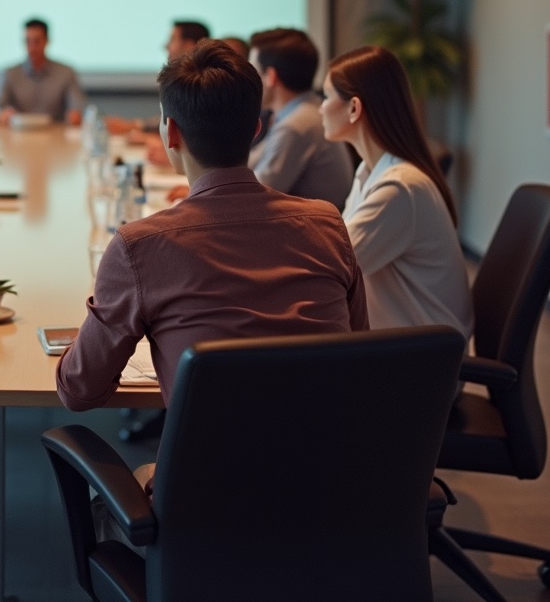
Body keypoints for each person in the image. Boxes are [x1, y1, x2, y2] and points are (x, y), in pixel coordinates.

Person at [56, 41, 367, 544]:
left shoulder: (140, 246)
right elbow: (358, 354)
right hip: (331, 492)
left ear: (171, 132)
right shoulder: (328, 225)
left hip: (205, 506)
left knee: (109, 510)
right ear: (255, 128)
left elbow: (79, 390)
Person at [320, 45, 474, 338]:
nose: (321, 107)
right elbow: (337, 246)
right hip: (408, 345)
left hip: (423, 359)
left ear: (354, 108)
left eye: (326, 97)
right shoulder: (369, 171)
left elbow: (333, 268)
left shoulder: (398, 188)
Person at [246, 28, 354, 210]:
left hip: (313, 234)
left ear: (271, 77)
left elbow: (254, 196)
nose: (247, 81)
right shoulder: (301, 111)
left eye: (252, 71)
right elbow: (250, 164)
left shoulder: (296, 125)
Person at [107, 20, 210, 137]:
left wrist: (137, 130)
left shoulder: (201, 86)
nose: (165, 46)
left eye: (172, 39)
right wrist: (135, 127)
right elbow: (171, 122)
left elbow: (188, 134)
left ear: (188, 46)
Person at [0, 18, 85, 125]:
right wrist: (0, 115)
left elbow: (78, 107)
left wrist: (76, 115)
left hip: (55, 136)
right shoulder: (10, 73)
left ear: (47, 41)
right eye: (28, 41)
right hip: (19, 135)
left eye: (37, 41)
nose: (32, 47)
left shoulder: (66, 73)